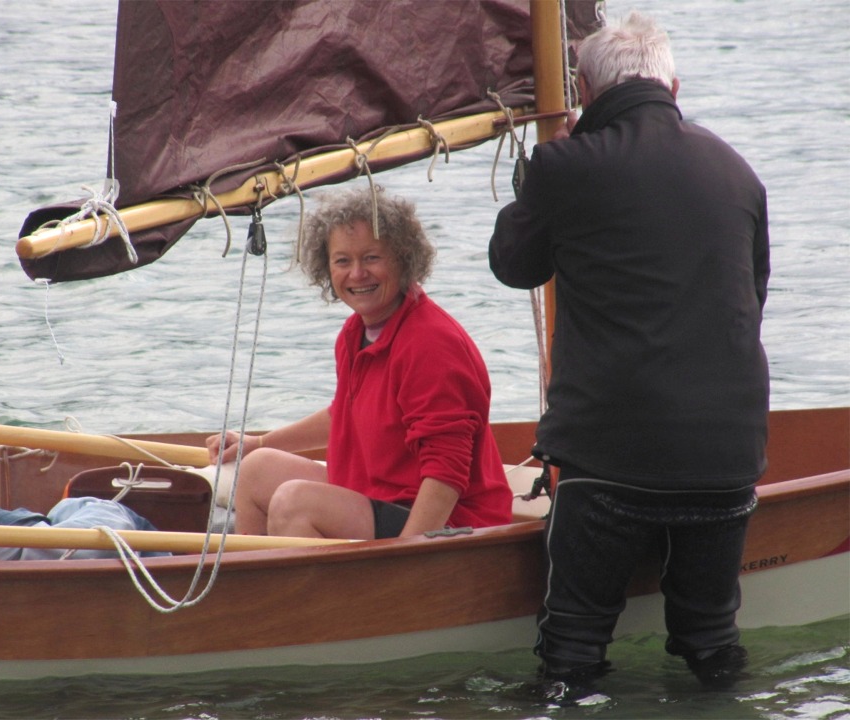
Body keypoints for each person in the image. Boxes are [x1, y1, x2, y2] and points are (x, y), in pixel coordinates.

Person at [488, 11, 770, 690]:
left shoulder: (567, 164)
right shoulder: (737, 170)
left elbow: (512, 263)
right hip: (728, 454)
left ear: (585, 90)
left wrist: (550, 158)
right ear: (673, 86)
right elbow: (752, 296)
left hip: (615, 454)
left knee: (574, 646)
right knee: (710, 635)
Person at [208, 186, 512, 540]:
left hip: (451, 523)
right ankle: (259, 592)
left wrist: (408, 558)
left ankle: (322, 596)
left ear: (404, 259)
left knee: (296, 502)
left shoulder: (431, 343)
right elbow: (346, 414)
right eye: (342, 261)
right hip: (381, 495)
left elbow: (446, 471)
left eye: (371, 258)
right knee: (255, 470)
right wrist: (259, 444)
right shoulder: (356, 334)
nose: (356, 274)